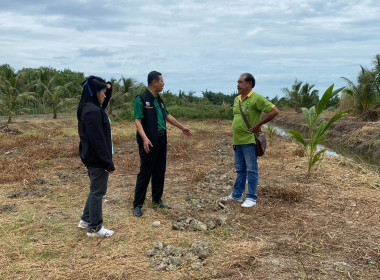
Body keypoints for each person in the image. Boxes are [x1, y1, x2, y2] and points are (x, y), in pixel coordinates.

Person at [133, 71, 192, 217]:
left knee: (160, 170)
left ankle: (157, 199)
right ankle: (137, 205)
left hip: (161, 138)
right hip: (149, 141)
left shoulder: (159, 99)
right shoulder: (141, 99)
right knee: (145, 172)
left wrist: (182, 127)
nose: (163, 84)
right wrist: (145, 138)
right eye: (162, 81)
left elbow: (167, 116)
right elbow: (137, 121)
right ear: (154, 82)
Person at [220, 73, 279, 207]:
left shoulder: (256, 98)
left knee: (252, 169)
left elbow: (274, 111)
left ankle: (251, 197)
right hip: (238, 141)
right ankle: (237, 195)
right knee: (240, 170)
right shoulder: (237, 99)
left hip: (249, 141)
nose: (238, 85)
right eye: (238, 82)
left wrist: (258, 125)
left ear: (250, 84)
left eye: (241, 82)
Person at [77, 76, 115, 237]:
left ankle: (86, 219)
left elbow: (103, 103)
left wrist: (108, 87)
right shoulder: (92, 112)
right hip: (97, 159)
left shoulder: (89, 107)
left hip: (91, 157)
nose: (105, 96)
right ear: (95, 92)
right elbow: (97, 140)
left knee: (95, 189)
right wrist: (107, 162)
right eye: (103, 92)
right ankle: (94, 228)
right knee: (98, 192)